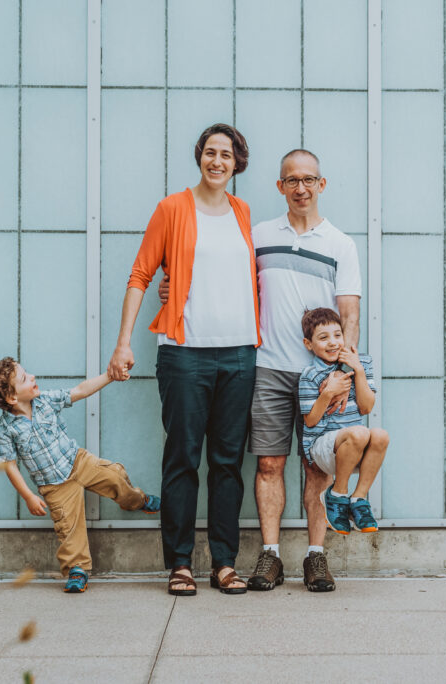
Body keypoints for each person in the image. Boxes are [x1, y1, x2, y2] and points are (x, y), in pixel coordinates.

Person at [108, 123, 259, 596]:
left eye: (227, 155)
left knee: (228, 462)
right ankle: (179, 564)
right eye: (210, 153)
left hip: (238, 353)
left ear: (238, 163)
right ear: (200, 157)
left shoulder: (242, 211)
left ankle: (224, 563)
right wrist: (123, 343)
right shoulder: (172, 208)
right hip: (185, 354)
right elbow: (140, 273)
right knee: (182, 458)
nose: (218, 161)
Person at [244, 149, 361, 592]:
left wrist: (345, 375)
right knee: (269, 463)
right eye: (291, 180)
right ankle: (270, 557)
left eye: (309, 180)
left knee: (317, 468)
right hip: (269, 368)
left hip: (322, 376)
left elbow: (349, 313)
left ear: (321, 185)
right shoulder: (258, 237)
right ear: (280, 186)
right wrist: (170, 286)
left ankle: (316, 557)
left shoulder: (340, 244)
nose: (301, 188)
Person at [0, 357, 160, 594]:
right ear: (12, 398)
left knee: (115, 477)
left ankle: (137, 501)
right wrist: (28, 496)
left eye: (27, 372)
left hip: (77, 461)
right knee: (68, 526)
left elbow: (80, 391)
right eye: (24, 378)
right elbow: (9, 465)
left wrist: (109, 376)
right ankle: (77, 568)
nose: (32, 376)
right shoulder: (6, 429)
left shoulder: (45, 401)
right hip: (54, 485)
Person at [298, 308, 388, 536]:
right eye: (323, 337)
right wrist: (328, 393)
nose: (333, 343)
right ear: (309, 344)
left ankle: (358, 499)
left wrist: (357, 370)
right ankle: (337, 494)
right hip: (322, 451)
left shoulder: (361, 363)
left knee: (380, 435)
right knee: (359, 432)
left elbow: (367, 407)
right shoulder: (310, 375)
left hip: (353, 448)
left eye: (337, 335)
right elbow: (310, 421)